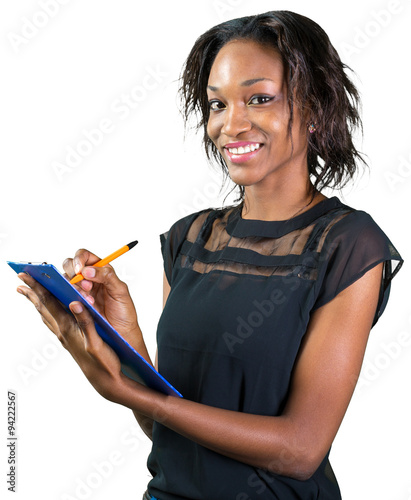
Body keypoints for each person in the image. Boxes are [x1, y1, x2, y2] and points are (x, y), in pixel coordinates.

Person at [15, 10, 403, 500]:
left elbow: (301, 450)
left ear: (315, 106)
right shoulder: (190, 238)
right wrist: (126, 340)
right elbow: (169, 429)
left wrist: (124, 388)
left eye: (259, 98)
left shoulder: (348, 244)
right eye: (217, 104)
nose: (230, 125)